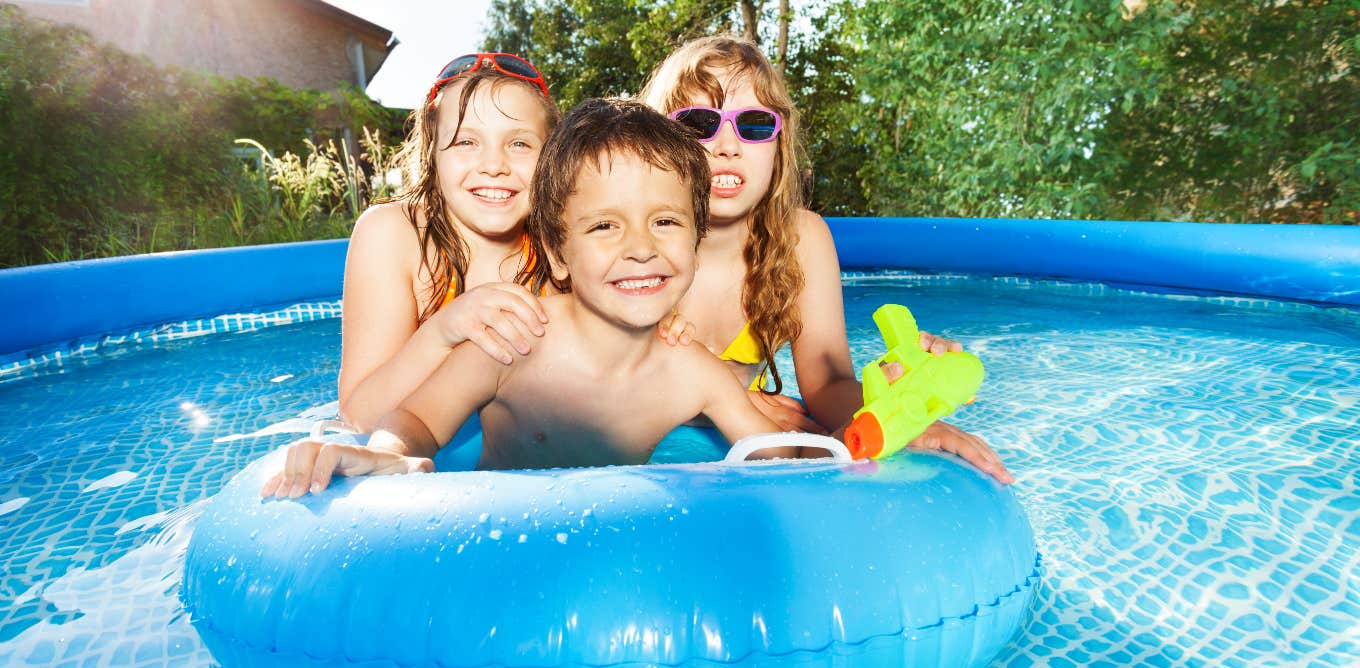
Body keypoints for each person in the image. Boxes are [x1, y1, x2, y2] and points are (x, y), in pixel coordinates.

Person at [263, 99, 800, 498]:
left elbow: (778, 460)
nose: (641, 249)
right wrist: (385, 454)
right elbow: (421, 420)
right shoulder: (517, 341)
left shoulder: (695, 372)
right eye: (605, 226)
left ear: (696, 239)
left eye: (665, 221)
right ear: (558, 253)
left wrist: (869, 427)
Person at [640, 36, 1014, 483]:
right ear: (653, 145)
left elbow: (828, 385)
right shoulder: (633, 246)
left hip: (754, 447)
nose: (727, 145)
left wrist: (902, 410)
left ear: (779, 146)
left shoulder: (799, 240)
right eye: (699, 123)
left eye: (755, 125)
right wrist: (720, 396)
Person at [336, 53, 561, 432]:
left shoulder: (564, 242)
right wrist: (442, 332)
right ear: (432, 156)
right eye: (465, 142)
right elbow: (359, 415)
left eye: (519, 144)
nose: (493, 164)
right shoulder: (394, 235)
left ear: (552, 157)